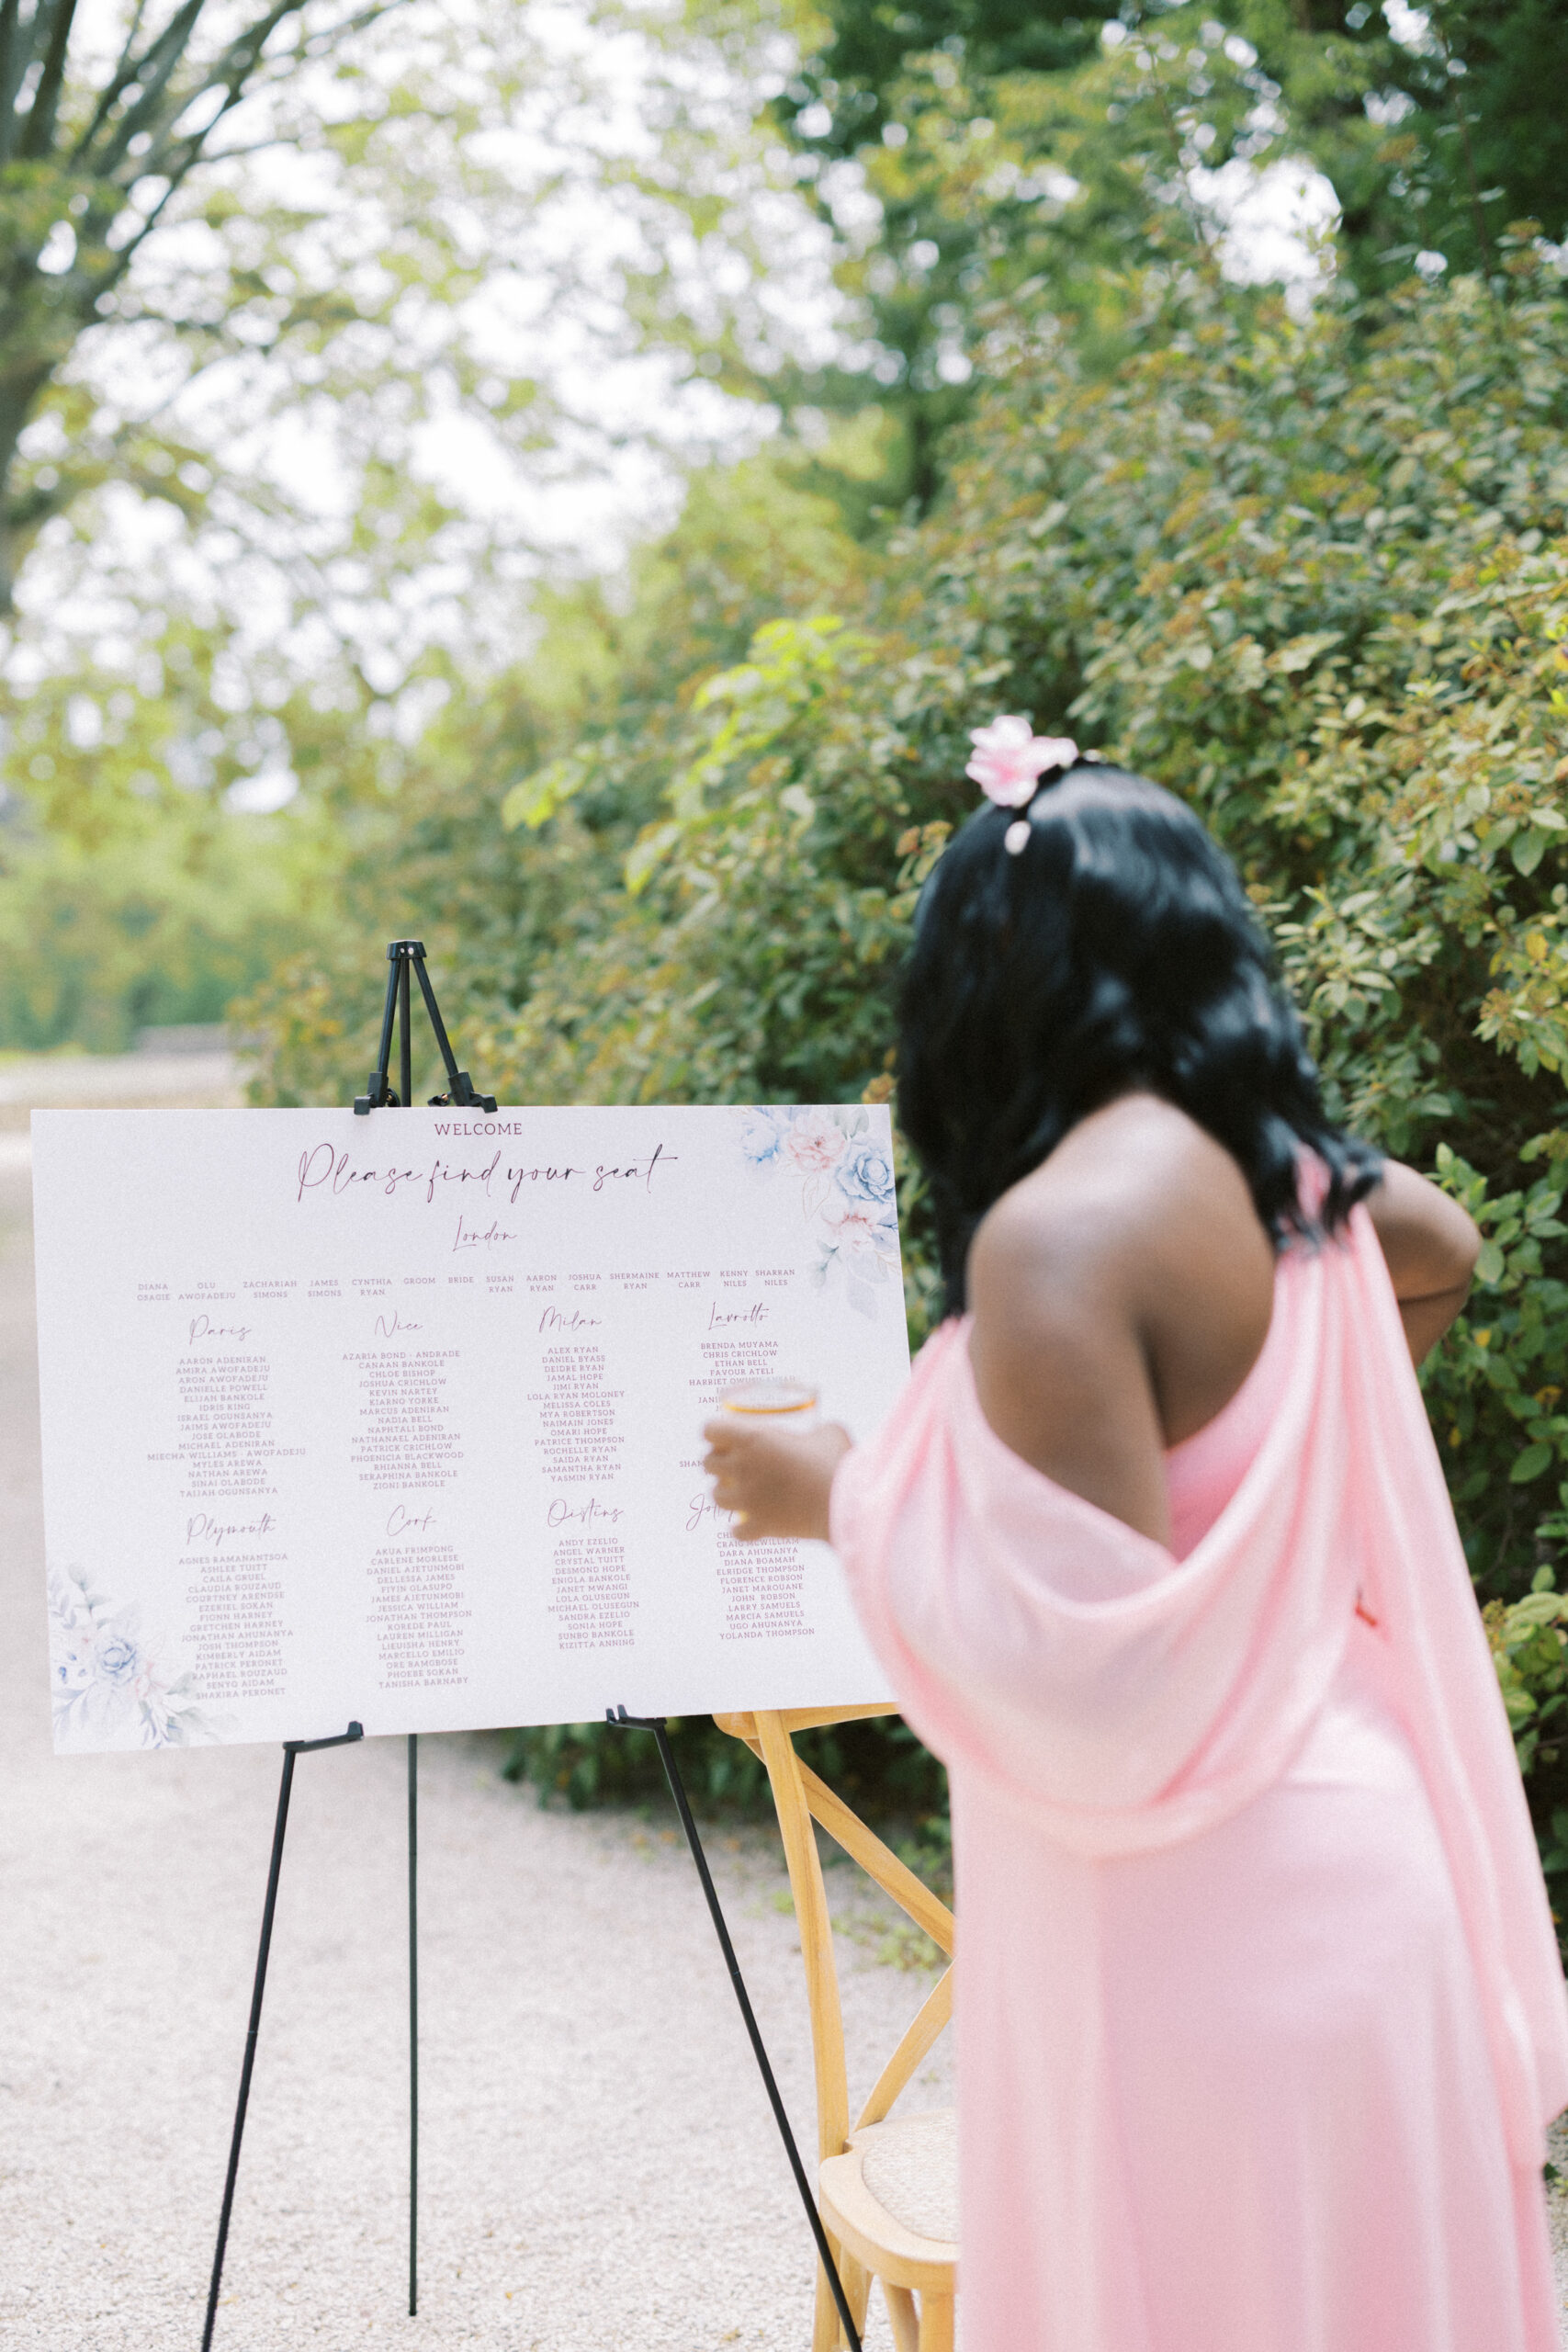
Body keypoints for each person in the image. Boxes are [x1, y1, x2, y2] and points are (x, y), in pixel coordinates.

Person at [702, 725, 1568, 2352]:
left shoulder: (1058, 1243)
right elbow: (1445, 1249)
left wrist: (834, 1494)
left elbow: (1101, 1690)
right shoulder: (1305, 1191)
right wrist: (1289, 1490)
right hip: (1376, 1888)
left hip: (1203, 1928)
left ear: (986, 985)